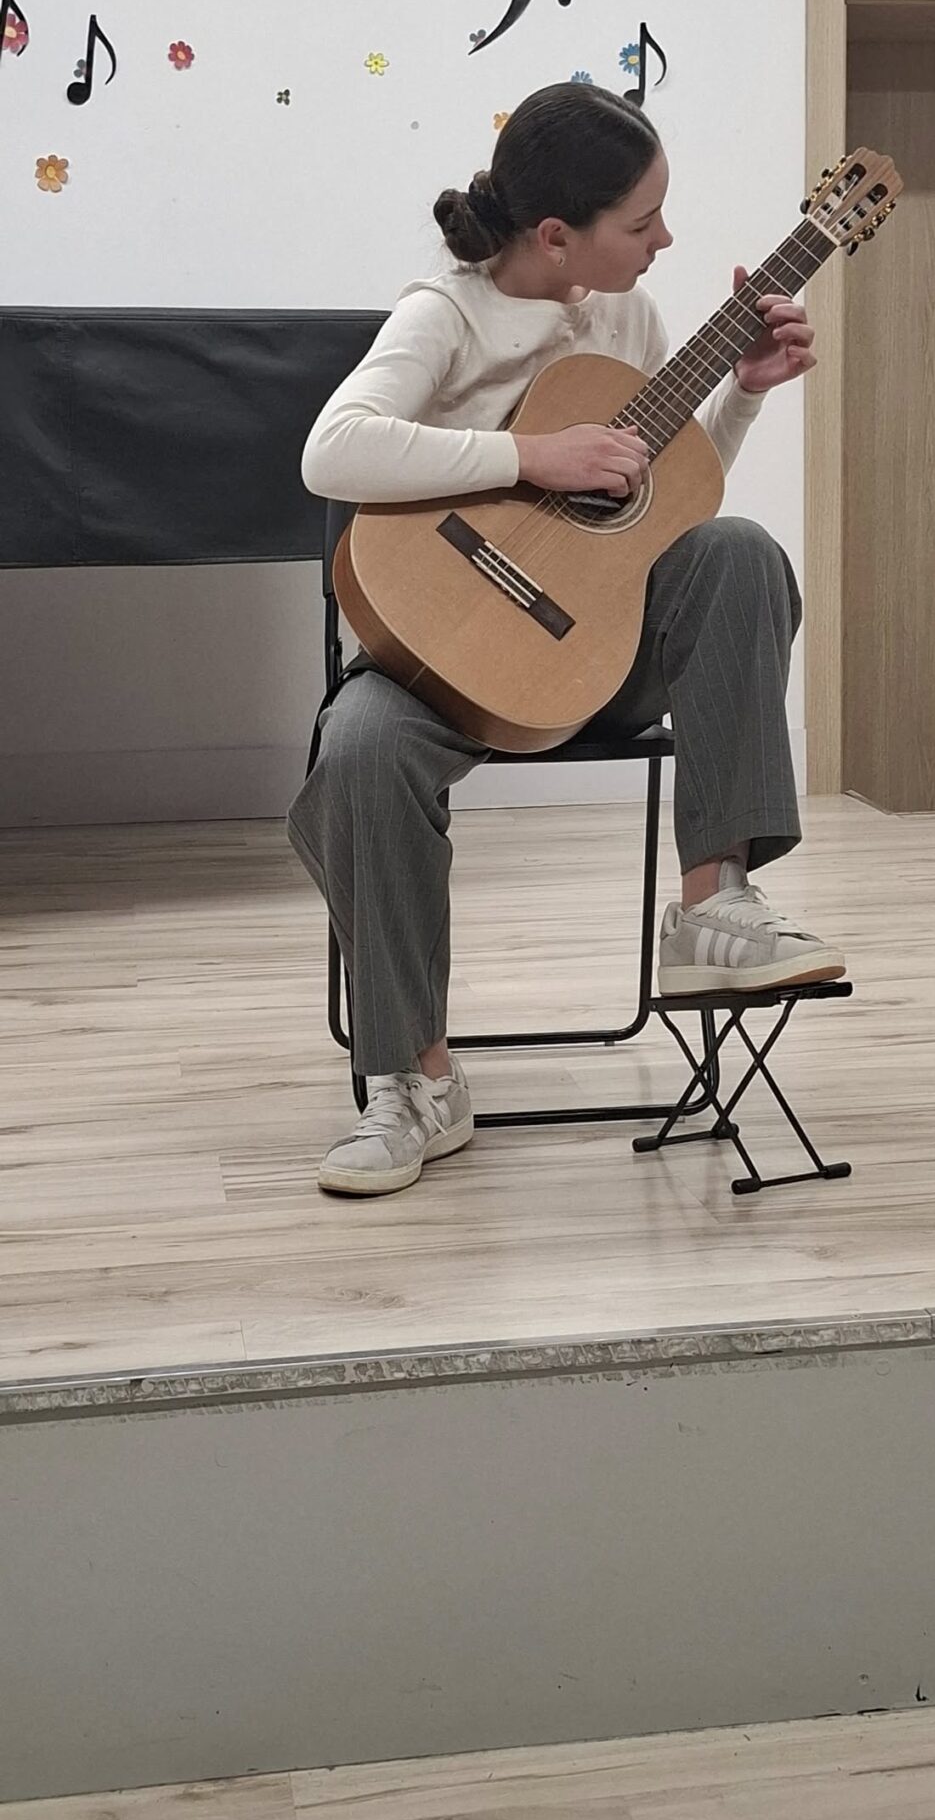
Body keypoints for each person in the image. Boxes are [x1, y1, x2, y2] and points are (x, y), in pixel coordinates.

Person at [287, 80, 845, 1196]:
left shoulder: (628, 320)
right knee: (359, 746)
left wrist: (741, 395)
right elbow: (331, 451)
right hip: (439, 665)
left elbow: (660, 508)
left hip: (591, 651)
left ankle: (713, 907)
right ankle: (413, 1082)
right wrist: (530, 456)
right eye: (642, 221)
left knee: (738, 550)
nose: (664, 239)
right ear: (555, 235)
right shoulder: (444, 315)